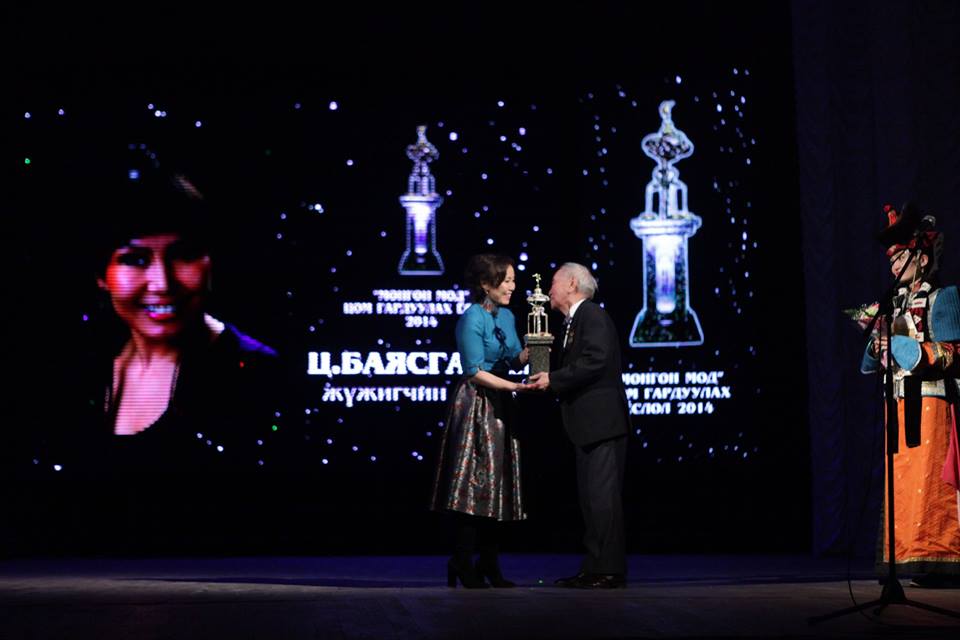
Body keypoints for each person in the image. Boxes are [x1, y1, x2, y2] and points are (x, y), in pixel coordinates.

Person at [861, 204, 960, 588]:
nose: (893, 267)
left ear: (921, 258)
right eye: (891, 261)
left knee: (930, 482)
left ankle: (941, 556)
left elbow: (954, 352)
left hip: (934, 404)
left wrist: (911, 350)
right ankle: (907, 557)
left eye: (900, 258)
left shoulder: (944, 297)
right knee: (901, 486)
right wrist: (878, 346)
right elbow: (870, 362)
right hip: (899, 403)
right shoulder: (893, 303)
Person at [431, 254, 530, 588]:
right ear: (486, 284)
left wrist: (532, 351)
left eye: (513, 280)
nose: (512, 287)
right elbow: (474, 371)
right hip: (476, 404)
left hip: (502, 402)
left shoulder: (508, 316)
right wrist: (514, 386)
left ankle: (489, 562)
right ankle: (461, 560)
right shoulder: (471, 317)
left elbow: (512, 359)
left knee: (498, 483)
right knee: (473, 485)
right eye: (507, 281)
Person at [528, 262, 630, 589]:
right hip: (587, 425)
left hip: (602, 423)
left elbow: (596, 360)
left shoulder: (592, 315)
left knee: (603, 500)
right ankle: (595, 566)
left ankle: (609, 570)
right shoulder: (574, 321)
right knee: (591, 500)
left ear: (572, 284)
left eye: (553, 283)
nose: (549, 291)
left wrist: (553, 379)